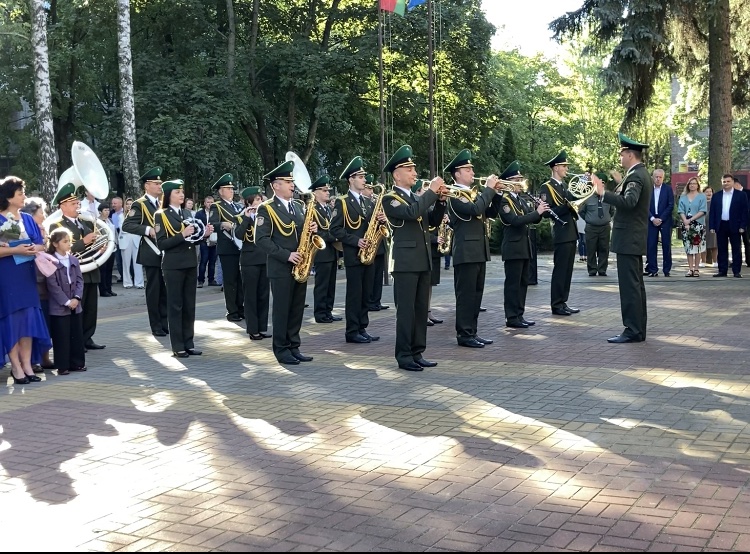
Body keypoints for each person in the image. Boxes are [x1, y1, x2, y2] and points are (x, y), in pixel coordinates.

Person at [381, 144, 446, 371]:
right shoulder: (391, 199)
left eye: (414, 169)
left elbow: (432, 221)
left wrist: (440, 200)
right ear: (397, 174)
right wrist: (431, 192)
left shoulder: (416, 198)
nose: (415, 174)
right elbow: (411, 213)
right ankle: (404, 355)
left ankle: (418, 352)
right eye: (410, 170)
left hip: (422, 260)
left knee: (420, 310)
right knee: (406, 312)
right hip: (405, 263)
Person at [254, 160, 318, 365]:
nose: (292, 184)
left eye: (292, 181)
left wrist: (311, 231)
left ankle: (294, 346)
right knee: (282, 309)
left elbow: (300, 233)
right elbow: (261, 239)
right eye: (287, 181)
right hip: (281, 267)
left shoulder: (299, 206)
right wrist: (286, 255)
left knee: (297, 308)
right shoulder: (266, 209)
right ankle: (281, 349)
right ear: (275, 185)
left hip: (300, 264)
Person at [592, 133, 652, 343]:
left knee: (630, 287)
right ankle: (637, 329)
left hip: (629, 238)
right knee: (635, 286)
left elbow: (629, 202)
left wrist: (602, 193)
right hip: (632, 238)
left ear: (629, 154)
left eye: (622, 154)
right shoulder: (638, 173)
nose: (620, 158)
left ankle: (633, 330)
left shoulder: (636, 175)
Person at [444, 148, 501, 348]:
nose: (472, 172)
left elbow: (490, 211)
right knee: (466, 296)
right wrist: (489, 190)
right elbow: (475, 209)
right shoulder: (454, 194)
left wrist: (497, 193)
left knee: (476, 295)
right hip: (465, 252)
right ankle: (464, 334)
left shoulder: (472, 193)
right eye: (468, 169)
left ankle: (472, 332)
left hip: (478, 250)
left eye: (471, 169)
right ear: (457, 173)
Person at [0, 176, 51, 384]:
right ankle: (16, 366)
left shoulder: (28, 218)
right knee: (12, 319)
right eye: (20, 194)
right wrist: (15, 249)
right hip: (7, 275)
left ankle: (28, 364)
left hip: (26, 274)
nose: (24, 197)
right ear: (8, 196)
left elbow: (41, 245)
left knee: (29, 318)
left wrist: (31, 249)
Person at [155, 180, 211, 358]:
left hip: (190, 263)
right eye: (177, 192)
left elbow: (192, 239)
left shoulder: (187, 212)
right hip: (173, 265)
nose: (181, 195)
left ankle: (189, 342)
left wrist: (204, 235)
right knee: (175, 305)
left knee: (189, 305)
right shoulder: (161, 215)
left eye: (182, 192)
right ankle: (177, 345)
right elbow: (162, 243)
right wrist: (182, 234)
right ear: (169, 195)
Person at [48, 183, 106, 351]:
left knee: (91, 307)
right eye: (73, 203)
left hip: (91, 270)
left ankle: (88, 337)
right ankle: (78, 339)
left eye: (77, 203)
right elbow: (61, 249)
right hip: (73, 272)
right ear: (63, 206)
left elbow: (93, 242)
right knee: (78, 307)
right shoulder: (57, 226)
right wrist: (84, 241)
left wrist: (98, 247)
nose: (77, 205)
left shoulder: (83, 223)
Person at [331, 156, 382, 344]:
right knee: (354, 294)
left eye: (364, 176)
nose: (364, 180)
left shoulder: (368, 202)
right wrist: (356, 241)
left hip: (369, 253)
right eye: (360, 177)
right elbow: (335, 229)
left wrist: (380, 222)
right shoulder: (342, 202)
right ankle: (352, 331)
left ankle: (363, 327)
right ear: (351, 179)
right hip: (354, 254)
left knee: (366, 293)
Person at [497, 161, 547, 328]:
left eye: (520, 179)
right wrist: (536, 213)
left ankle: (519, 314)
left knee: (523, 282)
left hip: (524, 247)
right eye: (517, 180)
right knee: (513, 284)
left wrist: (539, 211)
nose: (520, 183)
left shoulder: (521, 200)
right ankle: (511, 317)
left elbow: (531, 218)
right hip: (513, 248)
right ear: (509, 183)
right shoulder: (504, 201)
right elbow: (515, 221)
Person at [122, 167, 169, 337]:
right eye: (156, 184)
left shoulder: (163, 203)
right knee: (154, 291)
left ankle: (165, 323)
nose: (160, 186)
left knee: (165, 291)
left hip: (165, 251)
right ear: (147, 186)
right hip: (151, 252)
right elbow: (127, 225)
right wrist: (147, 229)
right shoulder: (139, 204)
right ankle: (156, 326)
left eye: (160, 183)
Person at [539, 149, 580, 316]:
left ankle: (563, 302)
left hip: (571, 232)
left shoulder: (564, 186)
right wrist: (567, 207)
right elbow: (548, 212)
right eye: (564, 166)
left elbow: (574, 203)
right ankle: (556, 304)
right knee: (560, 270)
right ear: (555, 167)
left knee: (568, 270)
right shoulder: (546, 187)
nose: (566, 169)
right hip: (561, 232)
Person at [45, 227, 86, 376]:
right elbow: (53, 285)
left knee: (76, 334)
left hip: (75, 304)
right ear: (55, 244)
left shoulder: (73, 259)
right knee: (61, 336)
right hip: (59, 306)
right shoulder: (50, 260)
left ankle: (77, 363)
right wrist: (66, 302)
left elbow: (80, 280)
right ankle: (62, 365)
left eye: (69, 241)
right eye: (65, 241)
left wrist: (76, 298)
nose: (68, 244)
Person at [21, 197, 55, 371]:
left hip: (46, 279)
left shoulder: (43, 230)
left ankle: (44, 356)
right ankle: (32, 360)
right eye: (41, 212)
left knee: (46, 319)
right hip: (33, 277)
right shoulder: (23, 229)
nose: (44, 215)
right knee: (34, 319)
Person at [234, 186, 271, 341]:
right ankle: (253, 329)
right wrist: (248, 218)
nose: (260, 201)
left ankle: (262, 327)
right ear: (248, 202)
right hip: (249, 261)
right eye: (256, 199)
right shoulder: (240, 218)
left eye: (260, 199)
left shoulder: (265, 215)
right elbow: (238, 235)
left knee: (263, 295)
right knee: (251, 296)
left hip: (264, 258)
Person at [209, 174, 244, 322]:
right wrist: (223, 224)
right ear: (220, 191)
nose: (231, 191)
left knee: (240, 280)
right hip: (227, 247)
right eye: (228, 188)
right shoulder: (216, 206)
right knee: (230, 281)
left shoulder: (237, 206)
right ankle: (232, 311)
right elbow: (212, 224)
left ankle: (240, 308)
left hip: (239, 247)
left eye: (231, 188)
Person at [309, 176, 341, 324]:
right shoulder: (312, 210)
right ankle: (320, 313)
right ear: (315, 192)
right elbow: (314, 233)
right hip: (322, 252)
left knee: (331, 284)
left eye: (328, 190)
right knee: (322, 285)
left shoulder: (328, 208)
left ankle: (328, 310)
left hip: (332, 252)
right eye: (324, 190)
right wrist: (333, 238)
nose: (327, 192)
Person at [708, 173, 749, 278]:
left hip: (735, 225)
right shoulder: (717, 196)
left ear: (733, 182)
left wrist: (742, 226)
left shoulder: (740, 195)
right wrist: (712, 226)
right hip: (721, 225)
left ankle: (736, 271)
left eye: (728, 181)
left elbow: (745, 212)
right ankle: (722, 270)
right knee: (721, 249)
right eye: (724, 182)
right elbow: (712, 212)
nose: (726, 183)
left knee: (736, 248)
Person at [577, 173, 615, 277]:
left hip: (605, 227)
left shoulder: (608, 197)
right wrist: (590, 219)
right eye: (599, 183)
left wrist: (605, 219)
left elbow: (612, 211)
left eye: (603, 183)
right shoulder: (587, 197)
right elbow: (581, 211)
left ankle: (602, 269)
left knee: (604, 249)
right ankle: (592, 270)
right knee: (591, 249)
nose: (600, 185)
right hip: (591, 228)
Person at [363, 174, 389, 311]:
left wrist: (384, 218)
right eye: (369, 188)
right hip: (370, 243)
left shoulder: (374, 202)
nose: (371, 191)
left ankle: (377, 301)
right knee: (371, 276)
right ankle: (370, 301)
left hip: (379, 244)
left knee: (379, 276)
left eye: (372, 188)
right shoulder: (365, 204)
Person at [644, 168, 674, 277]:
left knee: (666, 245)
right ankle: (653, 269)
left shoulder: (668, 189)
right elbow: (644, 205)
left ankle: (666, 269)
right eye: (656, 177)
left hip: (664, 221)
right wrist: (652, 218)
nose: (658, 179)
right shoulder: (647, 190)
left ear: (663, 178)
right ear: (652, 177)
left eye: (660, 177)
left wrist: (661, 219)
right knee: (651, 245)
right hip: (651, 221)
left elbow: (670, 205)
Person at [678, 177, 707, 277]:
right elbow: (680, 210)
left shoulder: (702, 196)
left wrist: (691, 220)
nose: (692, 185)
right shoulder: (683, 196)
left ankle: (697, 269)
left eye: (694, 183)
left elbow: (703, 210)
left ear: (698, 185)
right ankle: (690, 269)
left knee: (697, 247)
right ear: (688, 185)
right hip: (686, 225)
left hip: (698, 224)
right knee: (688, 247)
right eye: (690, 183)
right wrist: (685, 221)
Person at [118, 198, 145, 289]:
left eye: (131, 204)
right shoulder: (121, 216)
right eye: (128, 204)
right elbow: (122, 228)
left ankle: (139, 283)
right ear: (125, 206)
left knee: (137, 263)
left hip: (136, 238)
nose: (129, 206)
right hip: (125, 239)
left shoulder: (138, 215)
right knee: (126, 263)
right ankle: (127, 282)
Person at [195, 195, 218, 288]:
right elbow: (196, 225)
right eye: (208, 202)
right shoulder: (199, 214)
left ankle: (211, 279)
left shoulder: (216, 212)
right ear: (204, 203)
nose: (210, 204)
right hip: (204, 239)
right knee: (204, 260)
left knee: (213, 261)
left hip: (214, 239)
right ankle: (200, 280)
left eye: (211, 202)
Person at [97, 203, 118, 297]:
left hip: (112, 248)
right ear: (100, 211)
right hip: (103, 248)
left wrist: (116, 243)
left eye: (108, 210)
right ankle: (103, 290)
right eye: (105, 210)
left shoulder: (110, 220)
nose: (107, 212)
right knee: (103, 270)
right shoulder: (97, 222)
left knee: (109, 269)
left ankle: (109, 289)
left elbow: (115, 233)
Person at [733, 176, 750, 267]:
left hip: (747, 222)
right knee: (735, 243)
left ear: (737, 184)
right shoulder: (731, 195)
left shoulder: (748, 193)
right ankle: (736, 261)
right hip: (735, 222)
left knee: (747, 242)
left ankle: (749, 260)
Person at [701, 186, 718, 267]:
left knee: (714, 244)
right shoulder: (701, 203)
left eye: (710, 191)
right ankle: (703, 261)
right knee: (702, 243)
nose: (708, 193)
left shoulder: (715, 202)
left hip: (713, 226)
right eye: (706, 192)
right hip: (703, 225)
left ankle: (715, 261)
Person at [109, 196, 124, 282]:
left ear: (120, 204)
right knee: (118, 259)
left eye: (115, 203)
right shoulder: (111, 213)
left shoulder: (125, 212)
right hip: (115, 238)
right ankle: (122, 275)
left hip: (124, 237)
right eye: (112, 203)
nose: (113, 205)